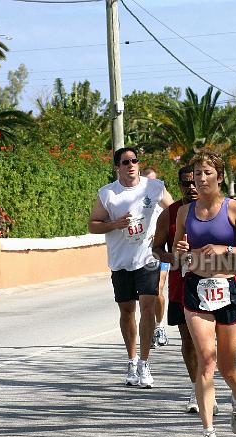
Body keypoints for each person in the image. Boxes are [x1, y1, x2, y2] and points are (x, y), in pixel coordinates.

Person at [173, 151, 236, 437]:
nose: (200, 178)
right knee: (206, 359)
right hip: (197, 287)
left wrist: (225, 248)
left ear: (219, 177)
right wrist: (183, 249)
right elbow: (177, 252)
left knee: (226, 366)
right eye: (197, 173)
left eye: (207, 172)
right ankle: (209, 433)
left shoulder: (234, 209)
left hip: (229, 287)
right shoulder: (185, 212)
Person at [89, 146, 173, 388]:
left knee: (147, 307)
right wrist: (114, 223)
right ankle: (132, 359)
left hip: (147, 258)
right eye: (125, 162)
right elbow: (93, 225)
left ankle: (145, 363)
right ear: (117, 167)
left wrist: (160, 232)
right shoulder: (108, 194)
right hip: (120, 260)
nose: (131, 165)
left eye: (134, 160)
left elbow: (175, 212)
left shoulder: (154, 187)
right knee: (127, 311)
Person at [152, 165, 216, 414]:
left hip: (213, 283)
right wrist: (172, 257)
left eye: (195, 182)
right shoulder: (169, 213)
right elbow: (156, 248)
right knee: (188, 338)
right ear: (178, 186)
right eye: (185, 183)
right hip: (181, 284)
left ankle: (209, 384)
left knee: (211, 341)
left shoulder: (216, 209)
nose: (191, 187)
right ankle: (196, 388)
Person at [144, 167, 170, 348]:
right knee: (146, 296)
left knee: (158, 289)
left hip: (158, 251)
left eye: (154, 180)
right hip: (141, 254)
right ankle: (150, 327)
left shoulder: (163, 200)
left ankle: (159, 326)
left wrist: (160, 234)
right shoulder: (137, 200)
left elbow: (177, 217)